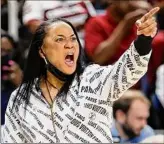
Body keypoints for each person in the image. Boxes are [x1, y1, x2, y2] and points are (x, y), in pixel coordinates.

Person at [1, 7, 159, 143]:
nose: (70, 44)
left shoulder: (93, 79)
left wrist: (143, 40)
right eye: (60, 39)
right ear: (42, 51)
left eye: (73, 39)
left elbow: (127, 71)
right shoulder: (22, 96)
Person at [1, 34, 23, 125]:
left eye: (8, 51)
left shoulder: (17, 67)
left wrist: (19, 80)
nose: (4, 55)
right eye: (1, 50)